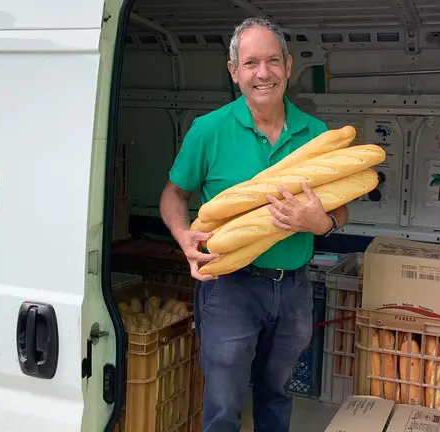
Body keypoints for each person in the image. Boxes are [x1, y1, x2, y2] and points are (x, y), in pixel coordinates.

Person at [158, 16, 349, 432]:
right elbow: (174, 194)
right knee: (224, 405)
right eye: (250, 63)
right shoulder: (208, 131)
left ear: (288, 65)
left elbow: (340, 206)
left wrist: (324, 222)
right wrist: (181, 233)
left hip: (295, 286)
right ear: (234, 71)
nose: (263, 74)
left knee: (277, 396)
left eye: (272, 61)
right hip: (229, 288)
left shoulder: (315, 136)